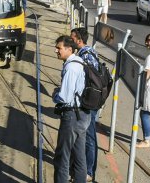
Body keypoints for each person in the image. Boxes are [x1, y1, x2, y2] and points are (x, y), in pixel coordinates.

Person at [53, 35, 91, 183]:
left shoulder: (71, 67)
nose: (56, 51)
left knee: (62, 157)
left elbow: (65, 98)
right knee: (79, 157)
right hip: (83, 115)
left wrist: (55, 94)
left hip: (72, 116)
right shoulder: (80, 61)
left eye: (59, 48)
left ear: (69, 49)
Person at [70, 28, 100, 183]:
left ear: (79, 40)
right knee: (88, 135)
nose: (71, 40)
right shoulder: (89, 52)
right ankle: (85, 168)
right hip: (90, 101)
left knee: (89, 137)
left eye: (72, 38)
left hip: (89, 102)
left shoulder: (86, 56)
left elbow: (89, 81)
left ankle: (88, 171)